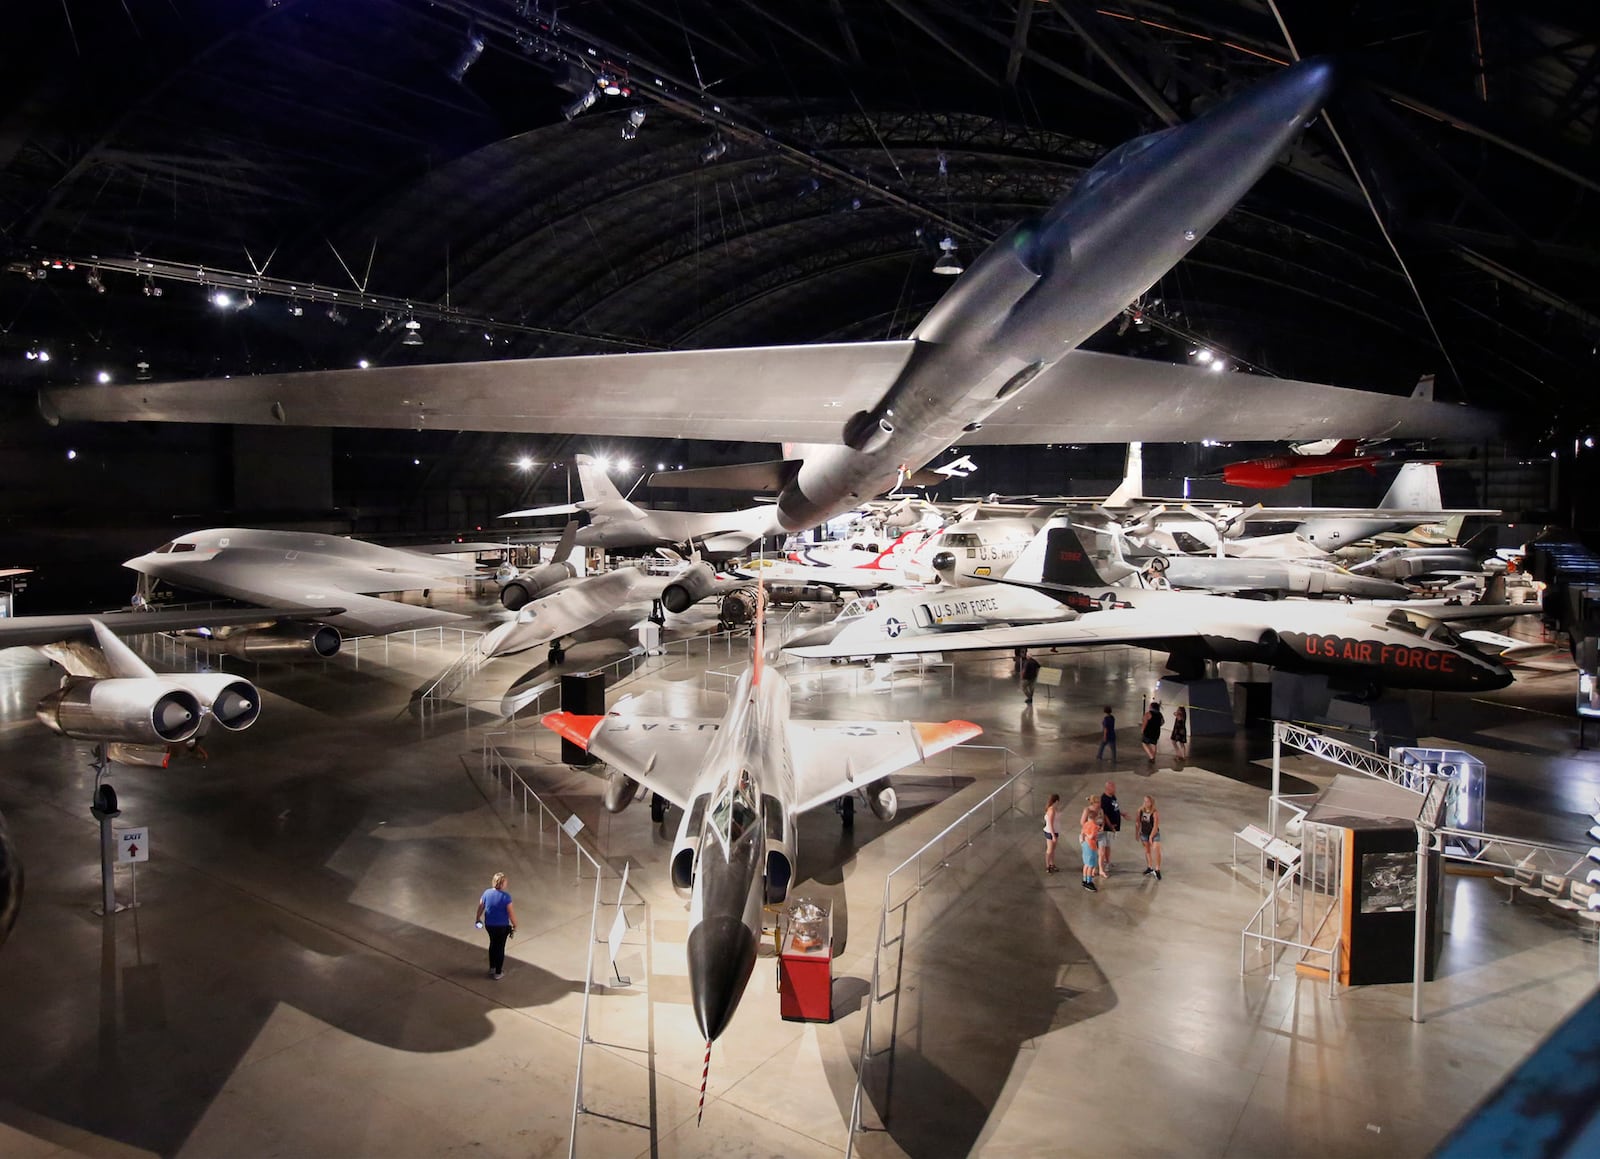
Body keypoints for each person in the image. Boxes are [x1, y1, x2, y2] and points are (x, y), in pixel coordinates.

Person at [475, 871, 518, 980]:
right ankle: (498, 972)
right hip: (502, 926)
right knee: (500, 947)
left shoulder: (486, 893)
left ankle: (492, 967)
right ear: (502, 884)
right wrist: (515, 924)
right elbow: (510, 913)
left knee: (493, 944)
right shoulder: (506, 897)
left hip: (490, 925)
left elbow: (481, 906)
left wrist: (477, 918)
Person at [1098, 780, 1121, 875]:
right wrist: (1110, 825)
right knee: (1104, 846)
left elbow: (1116, 808)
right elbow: (1105, 814)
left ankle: (1108, 861)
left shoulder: (1113, 796)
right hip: (1107, 827)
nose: (1115, 789)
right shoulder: (1104, 799)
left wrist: (1122, 814)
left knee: (1108, 845)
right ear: (1108, 788)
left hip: (1113, 825)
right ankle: (1104, 864)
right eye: (1113, 787)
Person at [1137, 795, 1162, 879]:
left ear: (1151, 803)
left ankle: (1157, 869)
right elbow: (1138, 822)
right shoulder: (1140, 810)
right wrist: (1137, 833)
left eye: (1147, 801)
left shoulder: (1154, 812)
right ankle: (1149, 867)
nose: (1145, 803)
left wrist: (1151, 836)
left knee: (1156, 849)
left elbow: (1155, 826)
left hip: (1154, 834)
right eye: (1144, 801)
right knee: (1147, 850)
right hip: (1144, 833)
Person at [1079, 799, 1101, 891]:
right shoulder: (1094, 826)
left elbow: (1083, 833)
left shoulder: (1086, 824)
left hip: (1084, 845)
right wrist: (1095, 833)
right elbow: (1092, 836)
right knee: (1091, 865)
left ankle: (1084, 880)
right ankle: (1089, 882)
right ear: (1095, 818)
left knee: (1086, 864)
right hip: (1091, 846)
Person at [1043, 793, 1061, 874]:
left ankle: (1052, 864)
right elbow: (1050, 823)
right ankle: (1048, 866)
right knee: (1049, 850)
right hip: (1051, 832)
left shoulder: (1054, 809)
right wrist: (1053, 835)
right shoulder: (1052, 810)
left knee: (1053, 849)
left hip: (1055, 831)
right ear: (1056, 801)